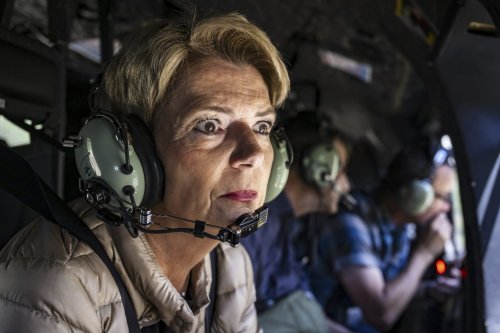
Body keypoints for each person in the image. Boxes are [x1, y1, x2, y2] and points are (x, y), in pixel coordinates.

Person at [0, 13, 290, 332]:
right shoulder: (56, 284)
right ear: (134, 155)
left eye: (262, 126)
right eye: (209, 125)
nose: (252, 155)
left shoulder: (231, 265)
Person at [300, 143, 458, 333]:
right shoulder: (350, 222)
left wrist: (429, 290)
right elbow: (381, 314)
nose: (446, 208)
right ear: (416, 195)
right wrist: (424, 254)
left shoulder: (400, 228)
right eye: (443, 198)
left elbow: (390, 287)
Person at [241, 111, 352, 333]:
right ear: (319, 169)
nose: (346, 184)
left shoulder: (292, 225)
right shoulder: (256, 227)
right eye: (341, 170)